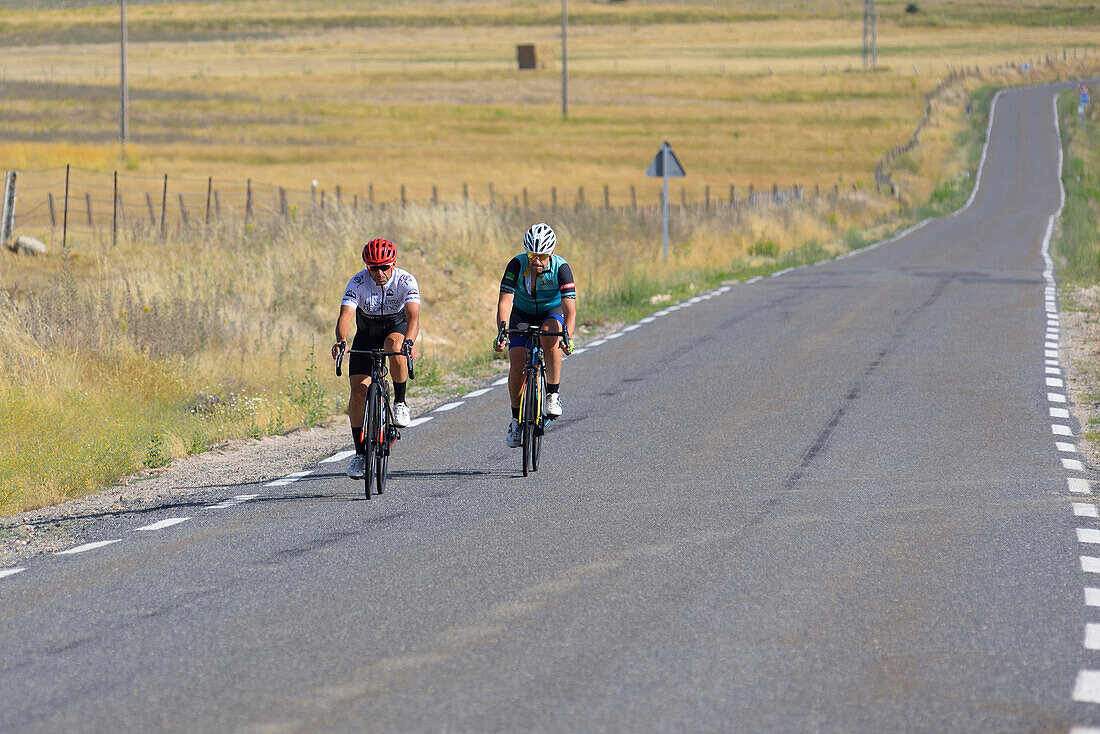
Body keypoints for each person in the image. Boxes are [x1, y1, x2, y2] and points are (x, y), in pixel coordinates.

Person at [332, 238, 421, 479]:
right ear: (366, 266)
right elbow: (345, 316)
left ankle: (400, 402)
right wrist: (342, 341)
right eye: (373, 268)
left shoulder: (406, 280)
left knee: (395, 346)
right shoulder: (358, 282)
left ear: (394, 264)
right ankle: (360, 454)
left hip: (395, 327)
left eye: (384, 267)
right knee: (359, 391)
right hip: (366, 333)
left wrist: (410, 341)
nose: (379, 273)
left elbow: (413, 316)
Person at [493, 222, 576, 448]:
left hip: (551, 311)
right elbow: (505, 301)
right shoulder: (517, 265)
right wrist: (502, 330)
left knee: (551, 336)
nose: (536, 261)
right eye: (532, 255)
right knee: (517, 362)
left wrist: (567, 336)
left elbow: (570, 309)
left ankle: (553, 394)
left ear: (550, 253)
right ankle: (515, 420)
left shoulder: (561, 268)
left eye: (541, 256)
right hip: (522, 312)